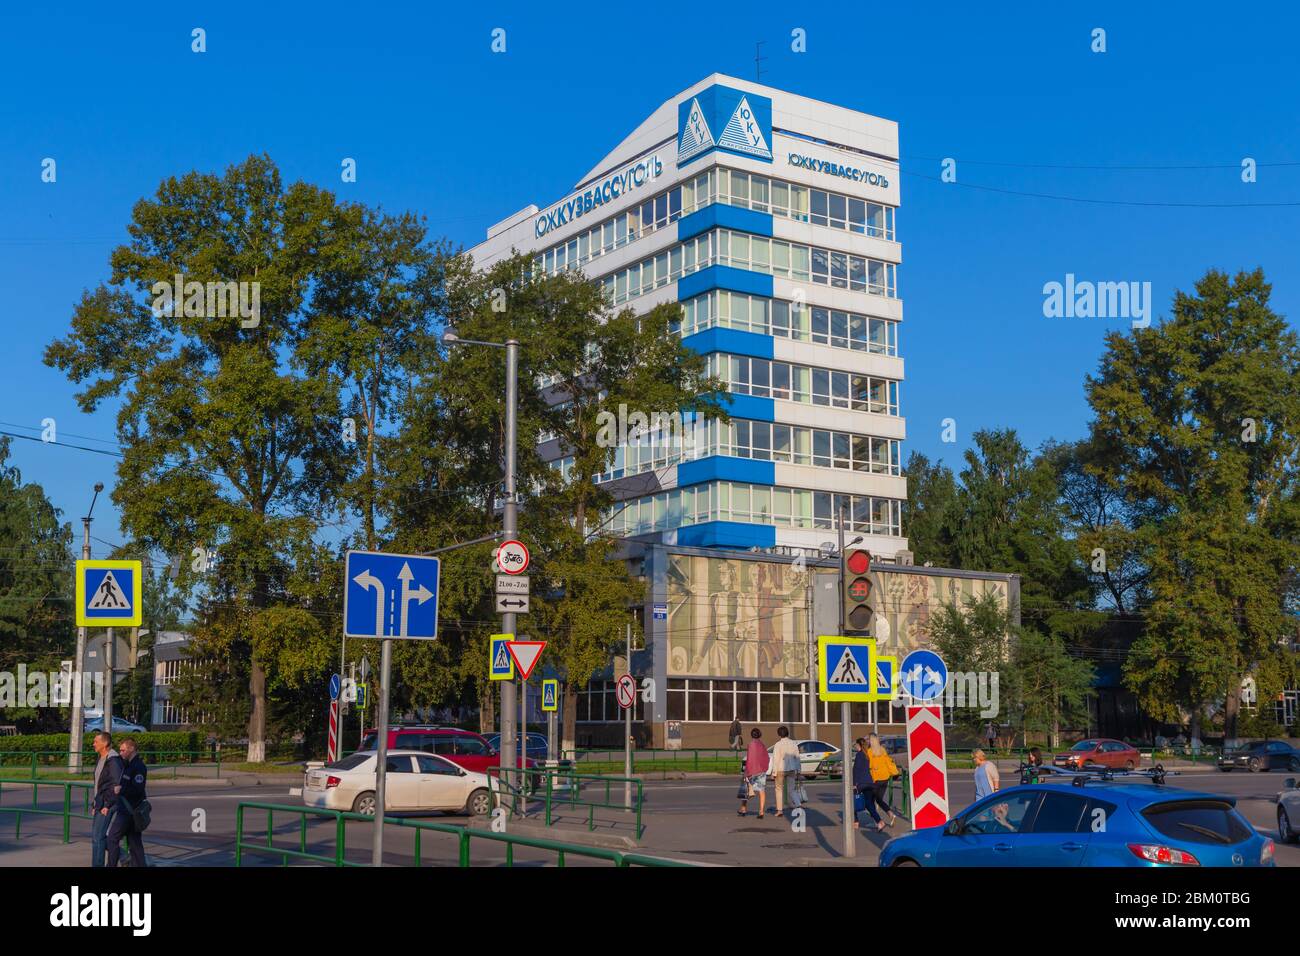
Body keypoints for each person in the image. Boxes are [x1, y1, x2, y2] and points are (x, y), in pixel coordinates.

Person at [108, 737, 148, 867]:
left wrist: (121, 789)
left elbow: (138, 789)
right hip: (128, 810)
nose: (121, 753)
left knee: (112, 838)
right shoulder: (128, 765)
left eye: (123, 750)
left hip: (128, 811)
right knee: (135, 843)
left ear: (131, 749)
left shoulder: (138, 766)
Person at [89, 731, 122, 867]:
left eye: (96, 742)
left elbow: (116, 786)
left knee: (98, 837)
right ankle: (125, 856)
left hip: (107, 804)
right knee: (96, 837)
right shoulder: (101, 758)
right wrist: (95, 804)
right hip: (100, 803)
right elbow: (99, 784)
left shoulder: (113, 760)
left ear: (105, 743)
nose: (93, 744)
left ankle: (98, 865)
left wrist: (107, 805)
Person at [866, 734, 899, 827]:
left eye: (868, 739)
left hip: (875, 779)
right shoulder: (882, 750)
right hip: (885, 778)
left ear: (871, 741)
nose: (867, 741)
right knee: (879, 800)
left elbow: (869, 766)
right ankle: (891, 814)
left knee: (870, 801)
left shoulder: (869, 752)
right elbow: (888, 762)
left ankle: (877, 822)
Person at [851, 738, 884, 831]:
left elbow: (856, 771)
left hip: (862, 784)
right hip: (870, 782)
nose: (855, 747)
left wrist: (854, 784)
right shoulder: (867, 754)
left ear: (859, 745)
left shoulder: (859, 755)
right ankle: (879, 822)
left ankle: (856, 822)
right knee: (869, 804)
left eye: (855, 745)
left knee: (853, 801)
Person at [769, 725, 800, 817]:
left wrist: (773, 772)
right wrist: (798, 770)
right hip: (792, 769)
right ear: (787, 733)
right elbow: (797, 757)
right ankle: (798, 805)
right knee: (792, 789)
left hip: (780, 769)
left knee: (779, 789)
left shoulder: (778, 745)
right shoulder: (793, 743)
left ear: (779, 734)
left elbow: (776, 759)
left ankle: (780, 811)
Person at [739, 727, 770, 819]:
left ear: (751, 735)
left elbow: (750, 759)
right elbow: (766, 758)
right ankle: (761, 812)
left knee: (745, 789)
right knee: (761, 790)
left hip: (752, 771)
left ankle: (743, 808)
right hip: (761, 771)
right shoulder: (762, 745)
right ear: (760, 735)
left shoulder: (751, 745)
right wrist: (765, 768)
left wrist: (746, 772)